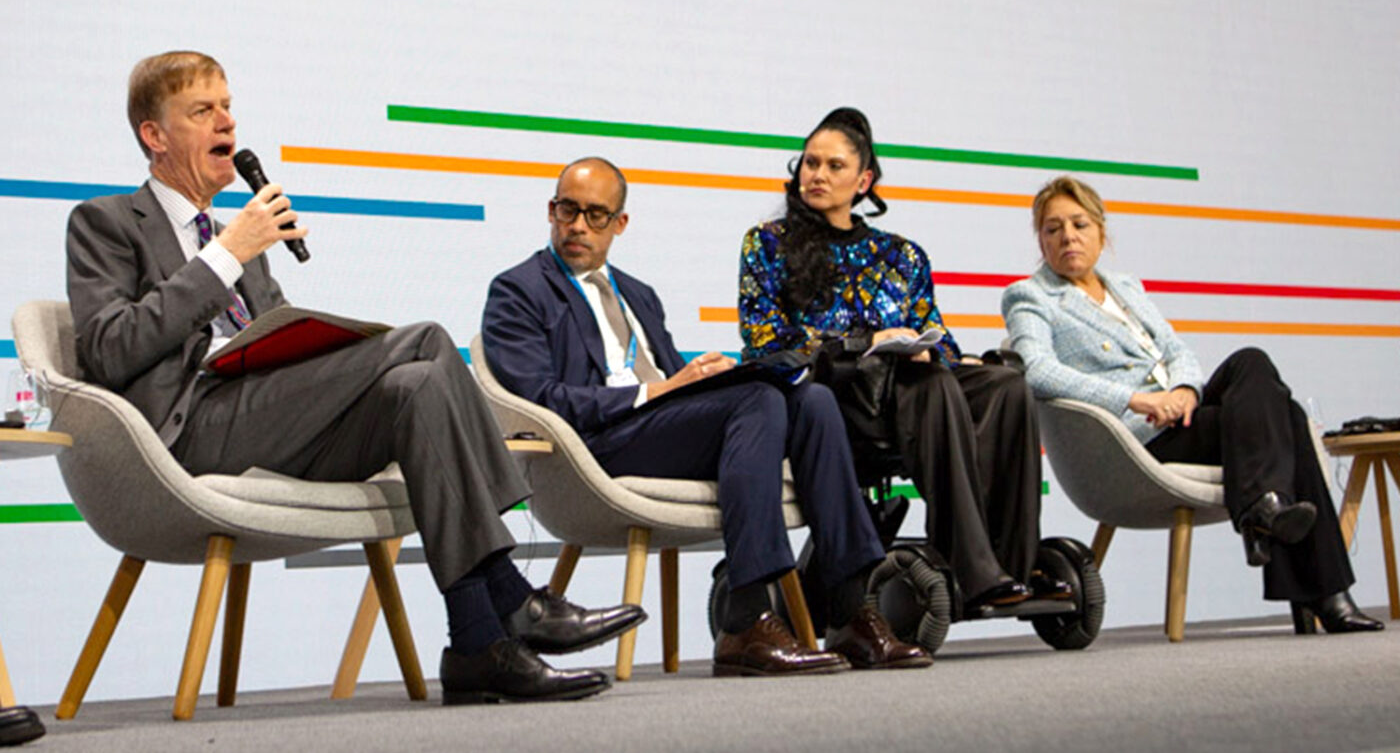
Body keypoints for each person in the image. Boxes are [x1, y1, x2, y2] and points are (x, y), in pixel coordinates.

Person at [66, 51, 648, 705]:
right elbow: (110, 350)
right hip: (187, 435)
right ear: (155, 135)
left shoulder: (243, 237)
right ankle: (513, 597)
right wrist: (227, 254)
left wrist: (292, 318)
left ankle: (475, 641)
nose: (226, 121)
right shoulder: (108, 223)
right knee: (427, 339)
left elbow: (274, 347)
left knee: (421, 386)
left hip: (274, 424)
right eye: (204, 110)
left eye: (229, 106)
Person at [482, 156, 931, 674]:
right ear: (551, 211)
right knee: (758, 401)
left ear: (620, 223)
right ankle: (745, 618)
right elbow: (542, 397)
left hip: (663, 430)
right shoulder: (518, 290)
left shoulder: (639, 295)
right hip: (597, 446)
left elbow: (675, 380)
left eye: (596, 215)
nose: (578, 225)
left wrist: (707, 377)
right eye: (567, 210)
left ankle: (852, 610)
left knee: (812, 400)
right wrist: (661, 391)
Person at [1001, 174, 1383, 633]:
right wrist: (1138, 399)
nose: (1068, 236)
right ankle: (1320, 585)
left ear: (1102, 231)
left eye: (1079, 224)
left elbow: (1178, 350)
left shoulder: (1126, 287)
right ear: (1040, 241)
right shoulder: (1031, 296)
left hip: (1181, 414)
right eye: (1053, 228)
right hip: (1137, 439)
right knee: (1291, 419)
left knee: (1251, 363)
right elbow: (1035, 368)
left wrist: (1185, 391)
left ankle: (1266, 509)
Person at [739, 107, 1055, 613]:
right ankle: (972, 568)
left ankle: (1013, 564)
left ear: (863, 181)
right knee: (931, 385)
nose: (817, 175)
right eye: (810, 163)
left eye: (833, 166)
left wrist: (948, 354)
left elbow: (938, 334)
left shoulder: (901, 255)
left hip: (908, 389)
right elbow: (764, 342)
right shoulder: (768, 244)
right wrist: (862, 342)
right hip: (832, 398)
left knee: (1004, 385)